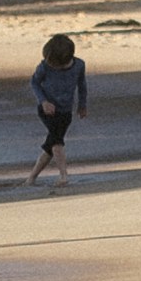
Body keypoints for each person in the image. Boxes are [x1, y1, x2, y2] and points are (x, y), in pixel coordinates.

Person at [28, 33, 90, 185]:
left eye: (53, 63)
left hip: (65, 112)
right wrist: (43, 101)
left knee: (51, 145)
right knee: (56, 141)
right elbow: (34, 82)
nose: (50, 65)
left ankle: (31, 178)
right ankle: (64, 175)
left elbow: (82, 86)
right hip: (47, 110)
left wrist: (82, 105)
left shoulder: (79, 66)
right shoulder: (44, 67)